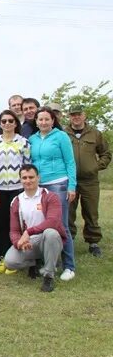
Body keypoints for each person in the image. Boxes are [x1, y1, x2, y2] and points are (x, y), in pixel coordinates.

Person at [29, 107, 77, 281]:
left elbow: (70, 162)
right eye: (40, 119)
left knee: (61, 225)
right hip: (40, 186)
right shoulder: (32, 139)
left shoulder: (61, 136)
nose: (43, 122)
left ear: (53, 120)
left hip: (58, 183)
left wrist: (72, 185)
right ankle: (50, 263)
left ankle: (69, 266)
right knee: (44, 226)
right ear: (36, 121)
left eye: (46, 119)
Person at [4, 165, 69, 293]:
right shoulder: (16, 201)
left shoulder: (51, 196)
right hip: (31, 242)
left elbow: (53, 221)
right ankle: (35, 263)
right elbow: (14, 230)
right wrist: (19, 243)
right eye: (24, 178)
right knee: (9, 262)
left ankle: (48, 276)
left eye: (31, 177)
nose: (28, 181)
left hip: (49, 240)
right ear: (20, 180)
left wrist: (28, 231)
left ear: (38, 178)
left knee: (50, 233)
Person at [0, 110, 31, 272]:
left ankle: (17, 258)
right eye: (4, 121)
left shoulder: (24, 142)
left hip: (18, 189)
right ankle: (2, 258)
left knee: (17, 224)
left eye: (10, 121)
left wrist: (26, 189)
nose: (7, 124)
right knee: (0, 224)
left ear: (15, 123)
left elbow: (28, 167)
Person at [66, 105, 110, 257]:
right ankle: (69, 240)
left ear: (84, 116)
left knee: (91, 212)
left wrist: (96, 166)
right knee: (69, 212)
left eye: (79, 114)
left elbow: (106, 153)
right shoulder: (63, 133)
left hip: (90, 181)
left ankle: (93, 242)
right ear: (69, 117)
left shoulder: (95, 134)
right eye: (73, 115)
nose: (76, 117)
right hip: (70, 180)